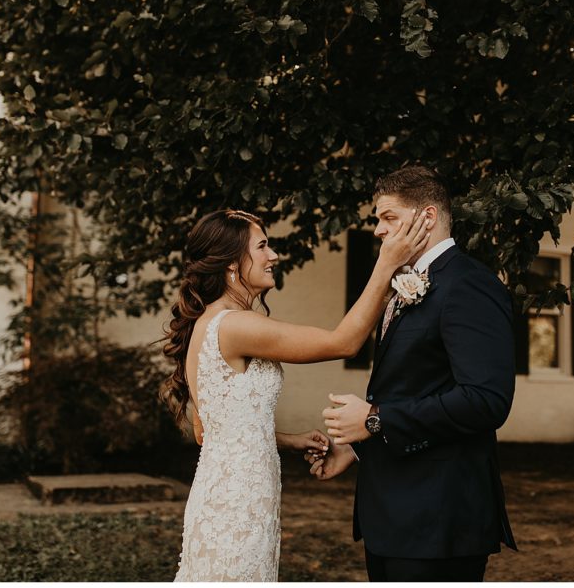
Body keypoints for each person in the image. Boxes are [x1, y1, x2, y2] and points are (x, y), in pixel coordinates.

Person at [160, 207, 431, 582]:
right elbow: (344, 342)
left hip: (227, 494)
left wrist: (288, 440)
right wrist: (386, 265)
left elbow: (211, 430)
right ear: (232, 265)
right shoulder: (236, 325)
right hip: (238, 505)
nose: (273, 256)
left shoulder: (208, 322)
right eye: (263, 246)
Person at [310, 165, 518, 582]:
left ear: (427, 217)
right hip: (395, 517)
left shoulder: (467, 284)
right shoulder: (408, 284)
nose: (378, 231)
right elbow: (415, 389)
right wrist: (358, 447)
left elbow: (485, 400)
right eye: (377, 220)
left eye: (388, 218)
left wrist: (374, 418)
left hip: (439, 518)